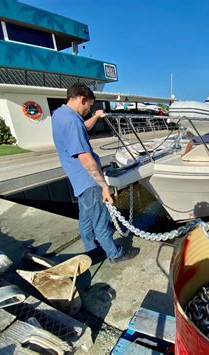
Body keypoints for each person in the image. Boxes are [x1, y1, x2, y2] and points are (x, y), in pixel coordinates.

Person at [52, 84, 139, 263]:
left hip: (77, 180)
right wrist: (104, 186)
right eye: (89, 106)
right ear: (82, 99)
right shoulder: (72, 122)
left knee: (85, 218)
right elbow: (86, 158)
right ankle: (115, 254)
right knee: (101, 221)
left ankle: (91, 249)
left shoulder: (60, 114)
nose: (88, 109)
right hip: (89, 180)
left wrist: (96, 117)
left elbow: (82, 127)